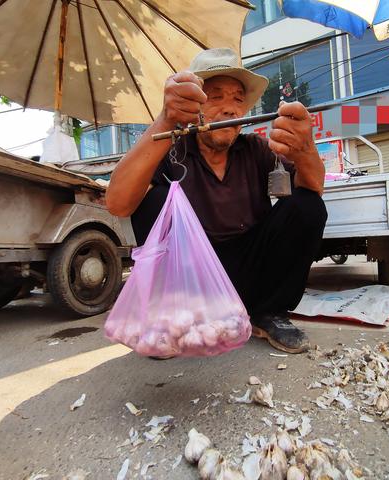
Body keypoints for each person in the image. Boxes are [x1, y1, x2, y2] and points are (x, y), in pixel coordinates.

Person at [106, 48, 327, 354]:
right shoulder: (173, 148)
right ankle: (176, 319)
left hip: (251, 271)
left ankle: (268, 311)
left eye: (237, 99)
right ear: (192, 106)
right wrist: (164, 122)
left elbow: (314, 185)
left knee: (307, 205)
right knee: (154, 201)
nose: (229, 110)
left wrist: (305, 149)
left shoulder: (256, 149)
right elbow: (118, 204)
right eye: (215, 97)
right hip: (192, 282)